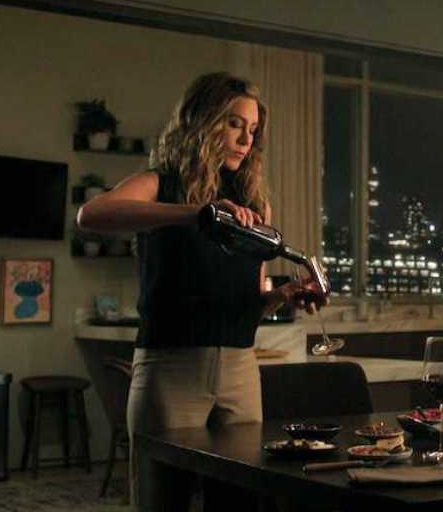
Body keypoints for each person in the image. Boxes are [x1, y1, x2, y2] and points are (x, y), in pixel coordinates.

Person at [77, 71, 323, 510]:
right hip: (170, 368)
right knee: (162, 498)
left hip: (240, 372)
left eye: (252, 130)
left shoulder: (254, 203)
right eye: (234, 124)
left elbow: (247, 303)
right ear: (204, 121)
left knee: (240, 500)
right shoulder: (161, 182)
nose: (245, 139)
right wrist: (198, 214)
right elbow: (92, 216)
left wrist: (282, 297)